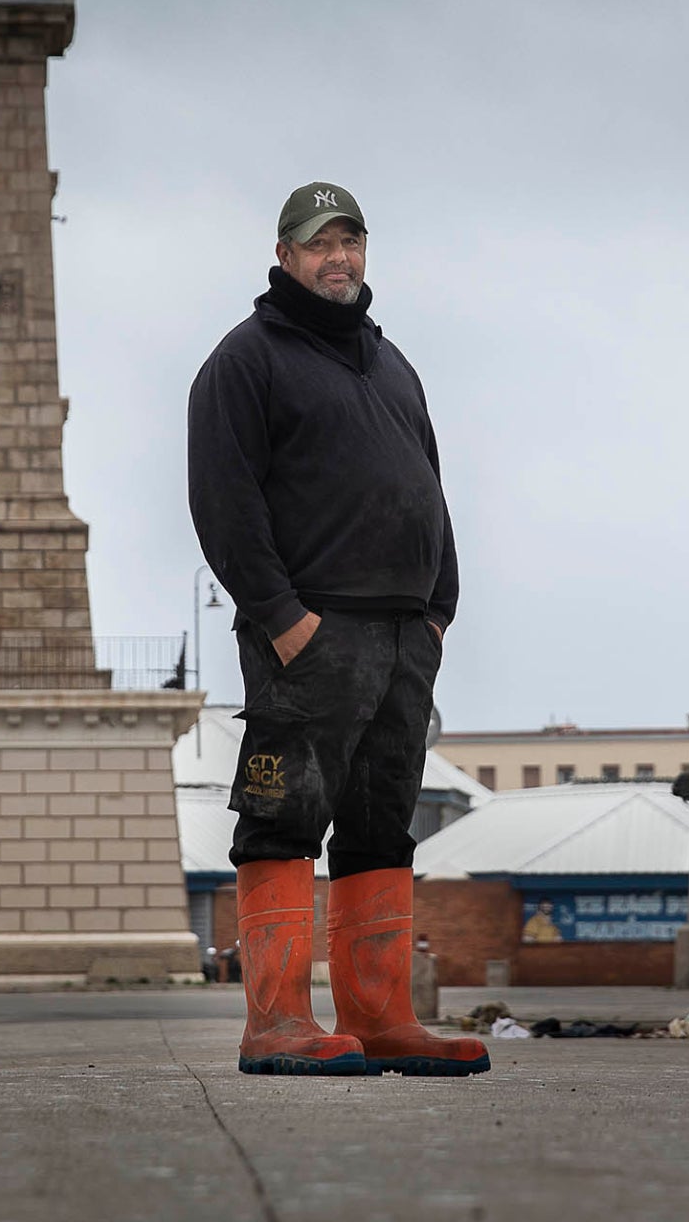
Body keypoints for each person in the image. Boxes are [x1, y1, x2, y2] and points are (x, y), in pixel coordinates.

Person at [187, 182, 488, 1077]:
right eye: (319, 244)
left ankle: (382, 1016)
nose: (338, 257)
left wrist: (440, 609)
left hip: (403, 636)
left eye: (351, 240)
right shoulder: (245, 362)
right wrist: (286, 622)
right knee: (283, 820)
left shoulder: (392, 365)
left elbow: (429, 483)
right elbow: (224, 505)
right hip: (310, 638)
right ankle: (276, 1021)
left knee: (379, 828)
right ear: (284, 256)